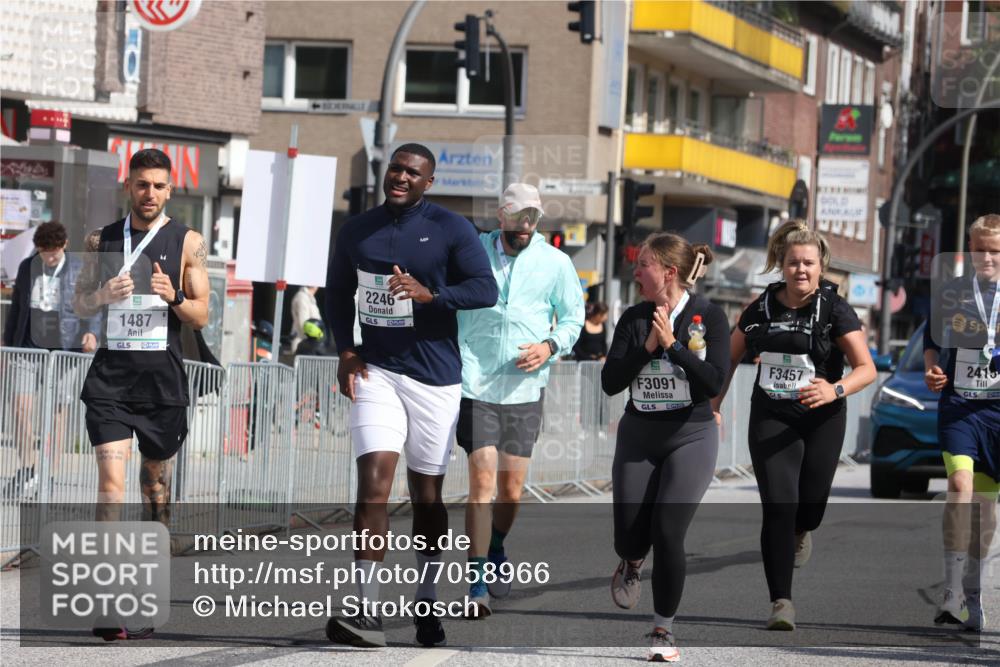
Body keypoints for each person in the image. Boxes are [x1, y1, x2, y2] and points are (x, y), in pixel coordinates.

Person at [324, 143, 498, 648]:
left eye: (412, 172)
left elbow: (484, 289)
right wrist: (347, 351)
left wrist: (432, 295)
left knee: (427, 496)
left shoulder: (451, 228)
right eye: (396, 168)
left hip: (435, 379)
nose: (401, 177)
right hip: (378, 371)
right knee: (373, 483)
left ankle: (426, 599)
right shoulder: (357, 229)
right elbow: (336, 293)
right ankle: (366, 609)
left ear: (429, 182)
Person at [74, 148, 210, 640]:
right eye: (140, 184)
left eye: (157, 185)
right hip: (110, 381)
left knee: (155, 493)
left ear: (169, 190)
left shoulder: (187, 241)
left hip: (161, 387)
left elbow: (201, 315)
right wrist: (102, 297)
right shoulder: (103, 239)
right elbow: (79, 300)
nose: (148, 193)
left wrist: (173, 297)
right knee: (110, 487)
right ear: (127, 186)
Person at [712, 220, 875, 631]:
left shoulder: (835, 310)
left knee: (811, 506)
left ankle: (805, 528)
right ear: (780, 266)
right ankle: (781, 602)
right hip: (772, 416)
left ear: (821, 268)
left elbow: (866, 369)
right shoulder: (759, 309)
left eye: (808, 263)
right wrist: (714, 406)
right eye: (793, 263)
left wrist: (834, 390)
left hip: (822, 417)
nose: (800, 270)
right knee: (778, 508)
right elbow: (729, 358)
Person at [456, 183, 584, 617]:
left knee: (510, 491)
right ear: (501, 216)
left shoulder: (556, 263)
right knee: (483, 483)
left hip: (525, 389)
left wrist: (549, 346)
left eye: (534, 216)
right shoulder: (471, 252)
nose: (527, 224)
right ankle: (475, 584)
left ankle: (495, 548)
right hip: (476, 381)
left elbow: (573, 318)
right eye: (520, 215)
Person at [601, 232, 728, 662]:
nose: (635, 272)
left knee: (669, 531)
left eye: (643, 266)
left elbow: (714, 381)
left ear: (669, 272)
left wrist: (674, 346)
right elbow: (610, 382)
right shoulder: (635, 319)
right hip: (640, 433)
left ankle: (663, 631)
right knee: (629, 535)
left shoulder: (709, 316)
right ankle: (631, 561)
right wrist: (649, 347)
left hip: (691, 434)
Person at [924, 213, 1000, 632]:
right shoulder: (952, 294)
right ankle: (951, 592)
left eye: (994, 251)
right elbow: (932, 344)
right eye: (979, 249)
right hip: (960, 408)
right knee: (959, 486)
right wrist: (933, 370)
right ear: (968, 250)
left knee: (986, 511)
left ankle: (973, 589)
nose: (986, 257)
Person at [3, 221, 102, 498]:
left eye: (54, 252)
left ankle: (50, 473)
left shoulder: (80, 268)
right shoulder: (27, 268)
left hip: (63, 351)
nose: (49, 257)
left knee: (57, 414)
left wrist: (92, 334)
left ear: (64, 245)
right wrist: (7, 345)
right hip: (27, 348)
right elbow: (17, 308)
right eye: (45, 252)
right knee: (20, 408)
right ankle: (28, 467)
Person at [291, 285, 322, 352]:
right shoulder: (302, 297)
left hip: (310, 343)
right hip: (303, 343)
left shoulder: (309, 297)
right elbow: (304, 324)